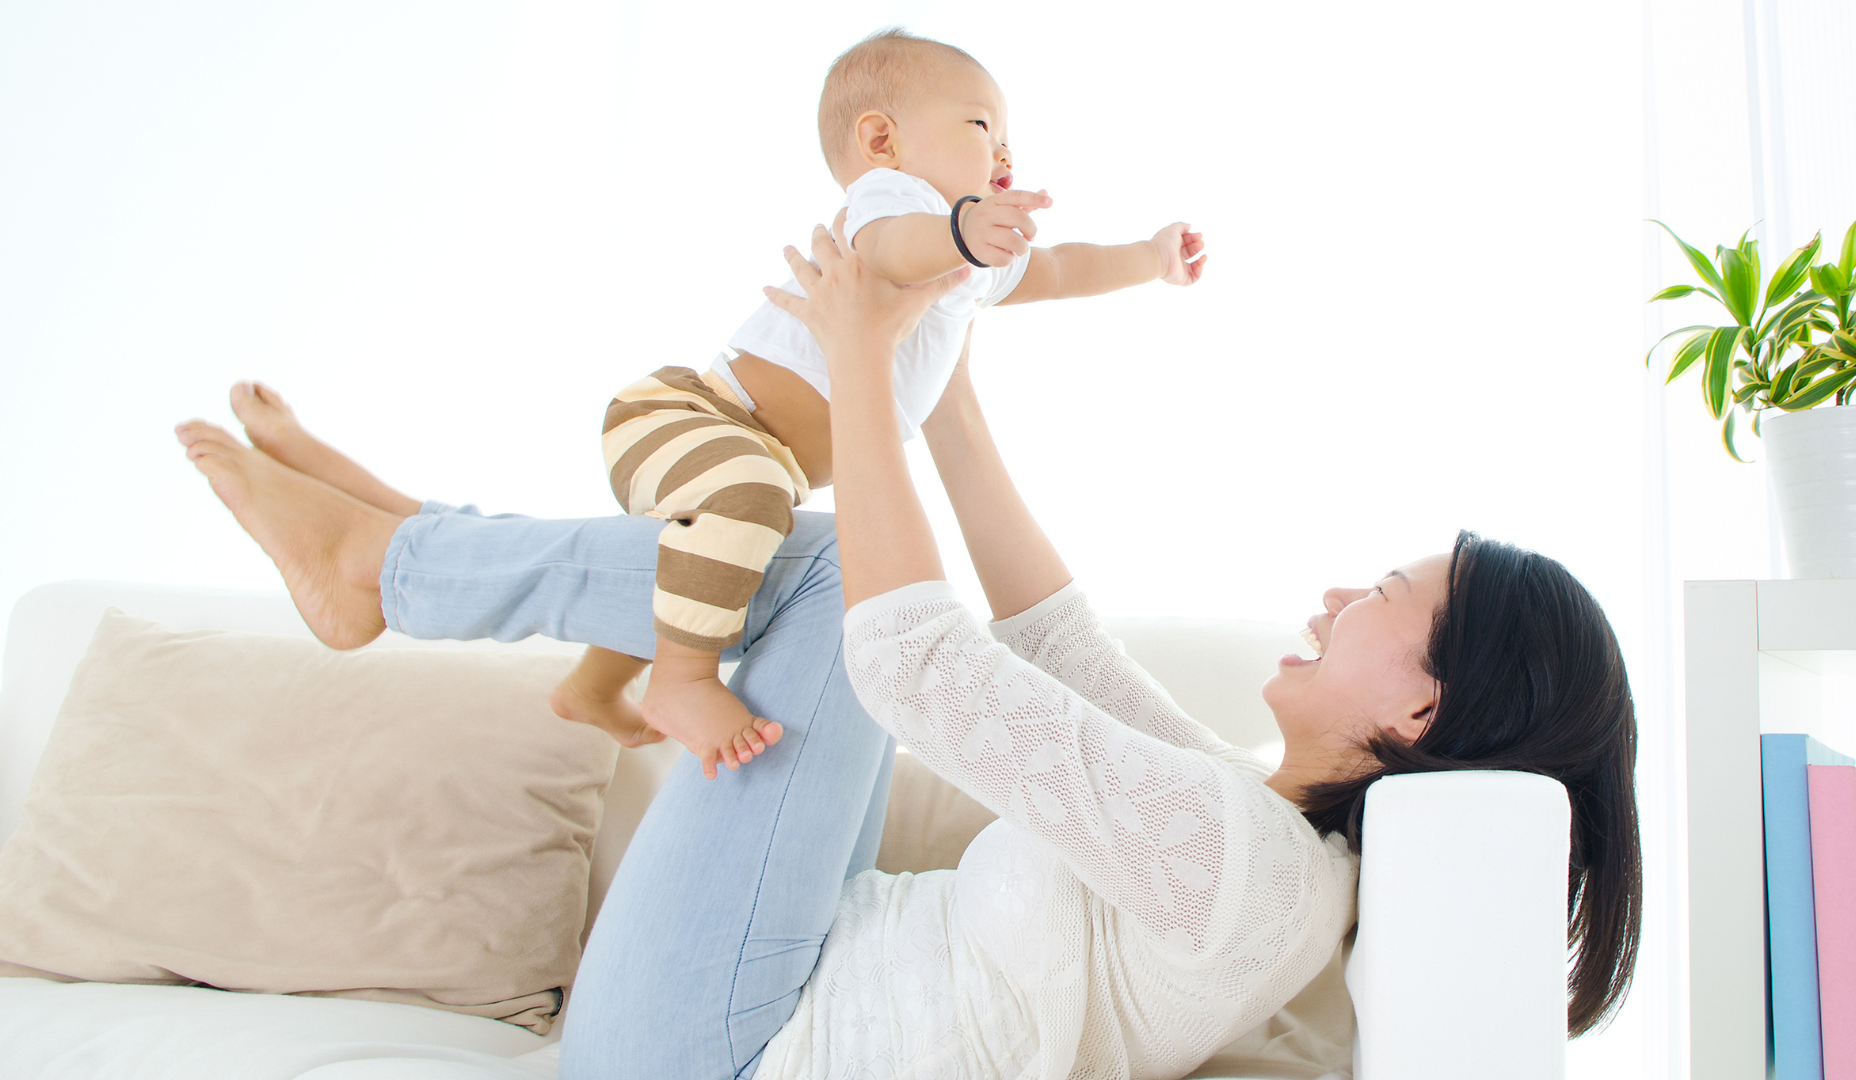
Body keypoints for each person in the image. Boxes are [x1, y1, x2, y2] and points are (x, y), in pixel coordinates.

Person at [175, 230, 1639, 1080]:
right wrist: (944, 378)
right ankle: (407, 542)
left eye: (1384, 592)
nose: (1338, 590)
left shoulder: (1238, 867)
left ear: (1421, 702)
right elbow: (1054, 644)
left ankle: (389, 563)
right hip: (757, 990)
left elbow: (919, 665)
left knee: (810, 569)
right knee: (796, 564)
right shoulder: (1271, 851)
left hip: (716, 1047)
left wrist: (861, 355)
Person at [556, 28, 1206, 780]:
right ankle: (682, 678)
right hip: (692, 418)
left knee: (706, 556)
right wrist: (960, 230)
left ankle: (593, 686)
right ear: (881, 139)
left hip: (752, 455)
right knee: (748, 504)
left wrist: (1150, 258)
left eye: (1009, 141)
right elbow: (895, 248)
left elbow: (1061, 269)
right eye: (981, 126)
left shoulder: (969, 262)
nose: (1004, 155)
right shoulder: (890, 202)